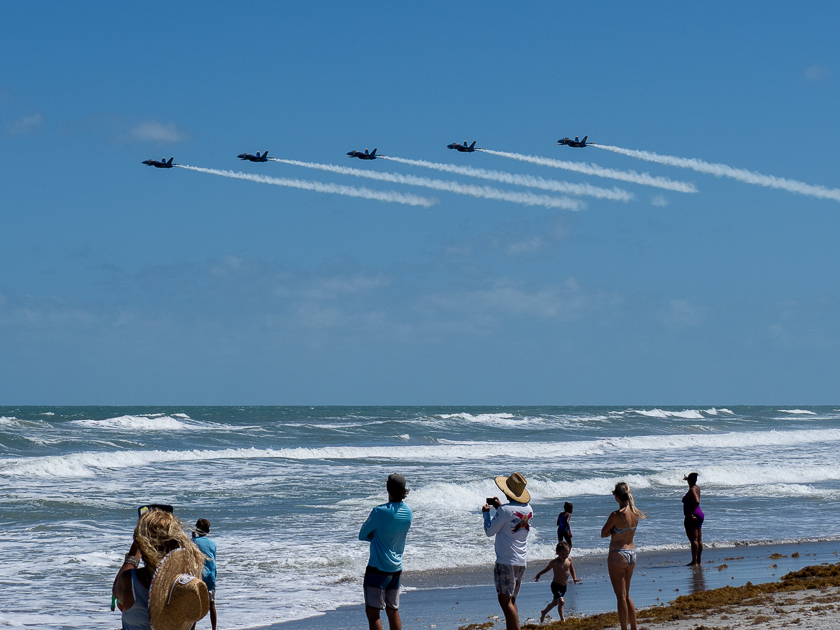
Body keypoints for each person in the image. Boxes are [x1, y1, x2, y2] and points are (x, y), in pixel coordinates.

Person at [113, 507, 209, 630]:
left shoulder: (129, 581)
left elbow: (116, 590)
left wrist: (134, 552)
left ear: (143, 544)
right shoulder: (188, 583)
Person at [358, 473, 412, 630]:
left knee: (373, 612)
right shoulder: (408, 512)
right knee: (393, 610)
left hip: (378, 567)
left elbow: (362, 535)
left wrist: (375, 536)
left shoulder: (379, 511)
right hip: (396, 567)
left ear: (388, 488)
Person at [482, 472, 533, 630]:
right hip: (520, 559)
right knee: (512, 601)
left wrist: (486, 514)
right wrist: (499, 508)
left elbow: (489, 531)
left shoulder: (505, 510)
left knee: (505, 601)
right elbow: (513, 522)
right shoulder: (528, 509)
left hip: (506, 560)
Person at [600, 482, 645, 630]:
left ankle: (624, 628)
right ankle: (634, 627)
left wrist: (612, 531)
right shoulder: (635, 512)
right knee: (627, 595)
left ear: (617, 497)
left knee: (620, 596)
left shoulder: (616, 515)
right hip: (632, 552)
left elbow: (603, 533)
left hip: (618, 553)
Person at [534, 542, 581, 623]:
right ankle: (562, 619)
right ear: (557, 552)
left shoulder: (569, 560)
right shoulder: (554, 562)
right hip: (555, 586)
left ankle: (544, 612)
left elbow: (571, 569)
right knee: (561, 602)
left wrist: (574, 578)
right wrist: (539, 574)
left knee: (555, 603)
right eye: (562, 554)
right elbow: (546, 569)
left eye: (567, 553)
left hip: (564, 586)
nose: (565, 556)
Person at [191, 519, 217, 630]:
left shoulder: (193, 542)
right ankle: (214, 628)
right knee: (212, 604)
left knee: (195, 605)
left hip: (198, 576)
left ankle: (192, 628)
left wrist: (193, 538)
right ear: (208, 531)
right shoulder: (213, 544)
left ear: (196, 529)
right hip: (211, 576)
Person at [682, 472, 704, 566]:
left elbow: (696, 501)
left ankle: (694, 561)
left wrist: (690, 513)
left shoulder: (692, 490)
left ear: (689, 481)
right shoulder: (697, 488)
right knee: (699, 540)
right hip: (699, 514)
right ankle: (699, 560)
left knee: (694, 540)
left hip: (693, 515)